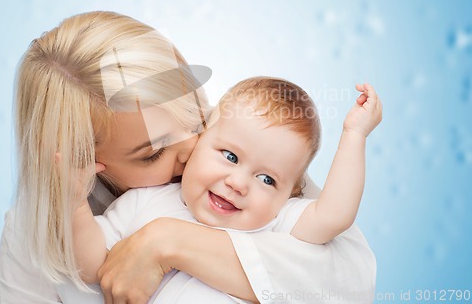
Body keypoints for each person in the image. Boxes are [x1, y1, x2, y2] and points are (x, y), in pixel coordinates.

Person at [0, 11, 377, 304]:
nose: (190, 149)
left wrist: (167, 242)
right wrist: (74, 205)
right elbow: (92, 264)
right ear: (83, 161)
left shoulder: (248, 145)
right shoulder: (36, 228)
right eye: (154, 153)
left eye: (194, 115)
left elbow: (349, 279)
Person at [71, 77, 382, 304]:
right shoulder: (145, 200)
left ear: (292, 193)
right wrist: (74, 203)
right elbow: (92, 266)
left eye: (267, 180)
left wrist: (355, 135)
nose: (238, 183)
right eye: (230, 156)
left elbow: (335, 215)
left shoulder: (276, 223)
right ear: (199, 137)